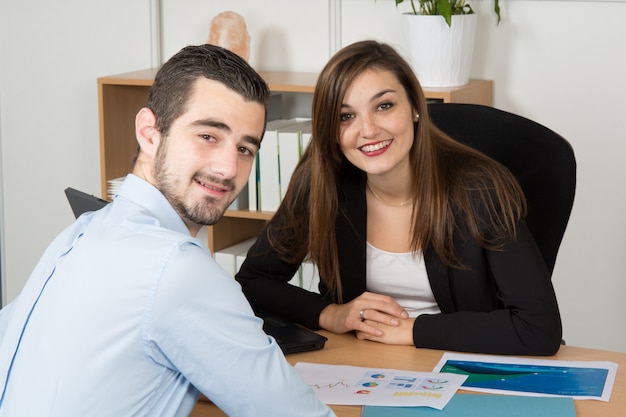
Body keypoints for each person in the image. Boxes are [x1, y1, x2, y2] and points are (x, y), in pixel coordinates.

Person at [0, 44, 335, 417]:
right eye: (208, 135)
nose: (227, 168)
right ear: (149, 132)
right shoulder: (176, 269)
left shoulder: (81, 233)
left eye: (245, 149)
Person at [236, 40, 562, 356]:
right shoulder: (323, 183)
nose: (368, 130)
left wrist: (413, 330)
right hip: (362, 362)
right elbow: (253, 280)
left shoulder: (479, 190)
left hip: (460, 365)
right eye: (345, 116)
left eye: (384, 106)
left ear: (415, 109)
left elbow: (539, 327)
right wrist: (330, 314)